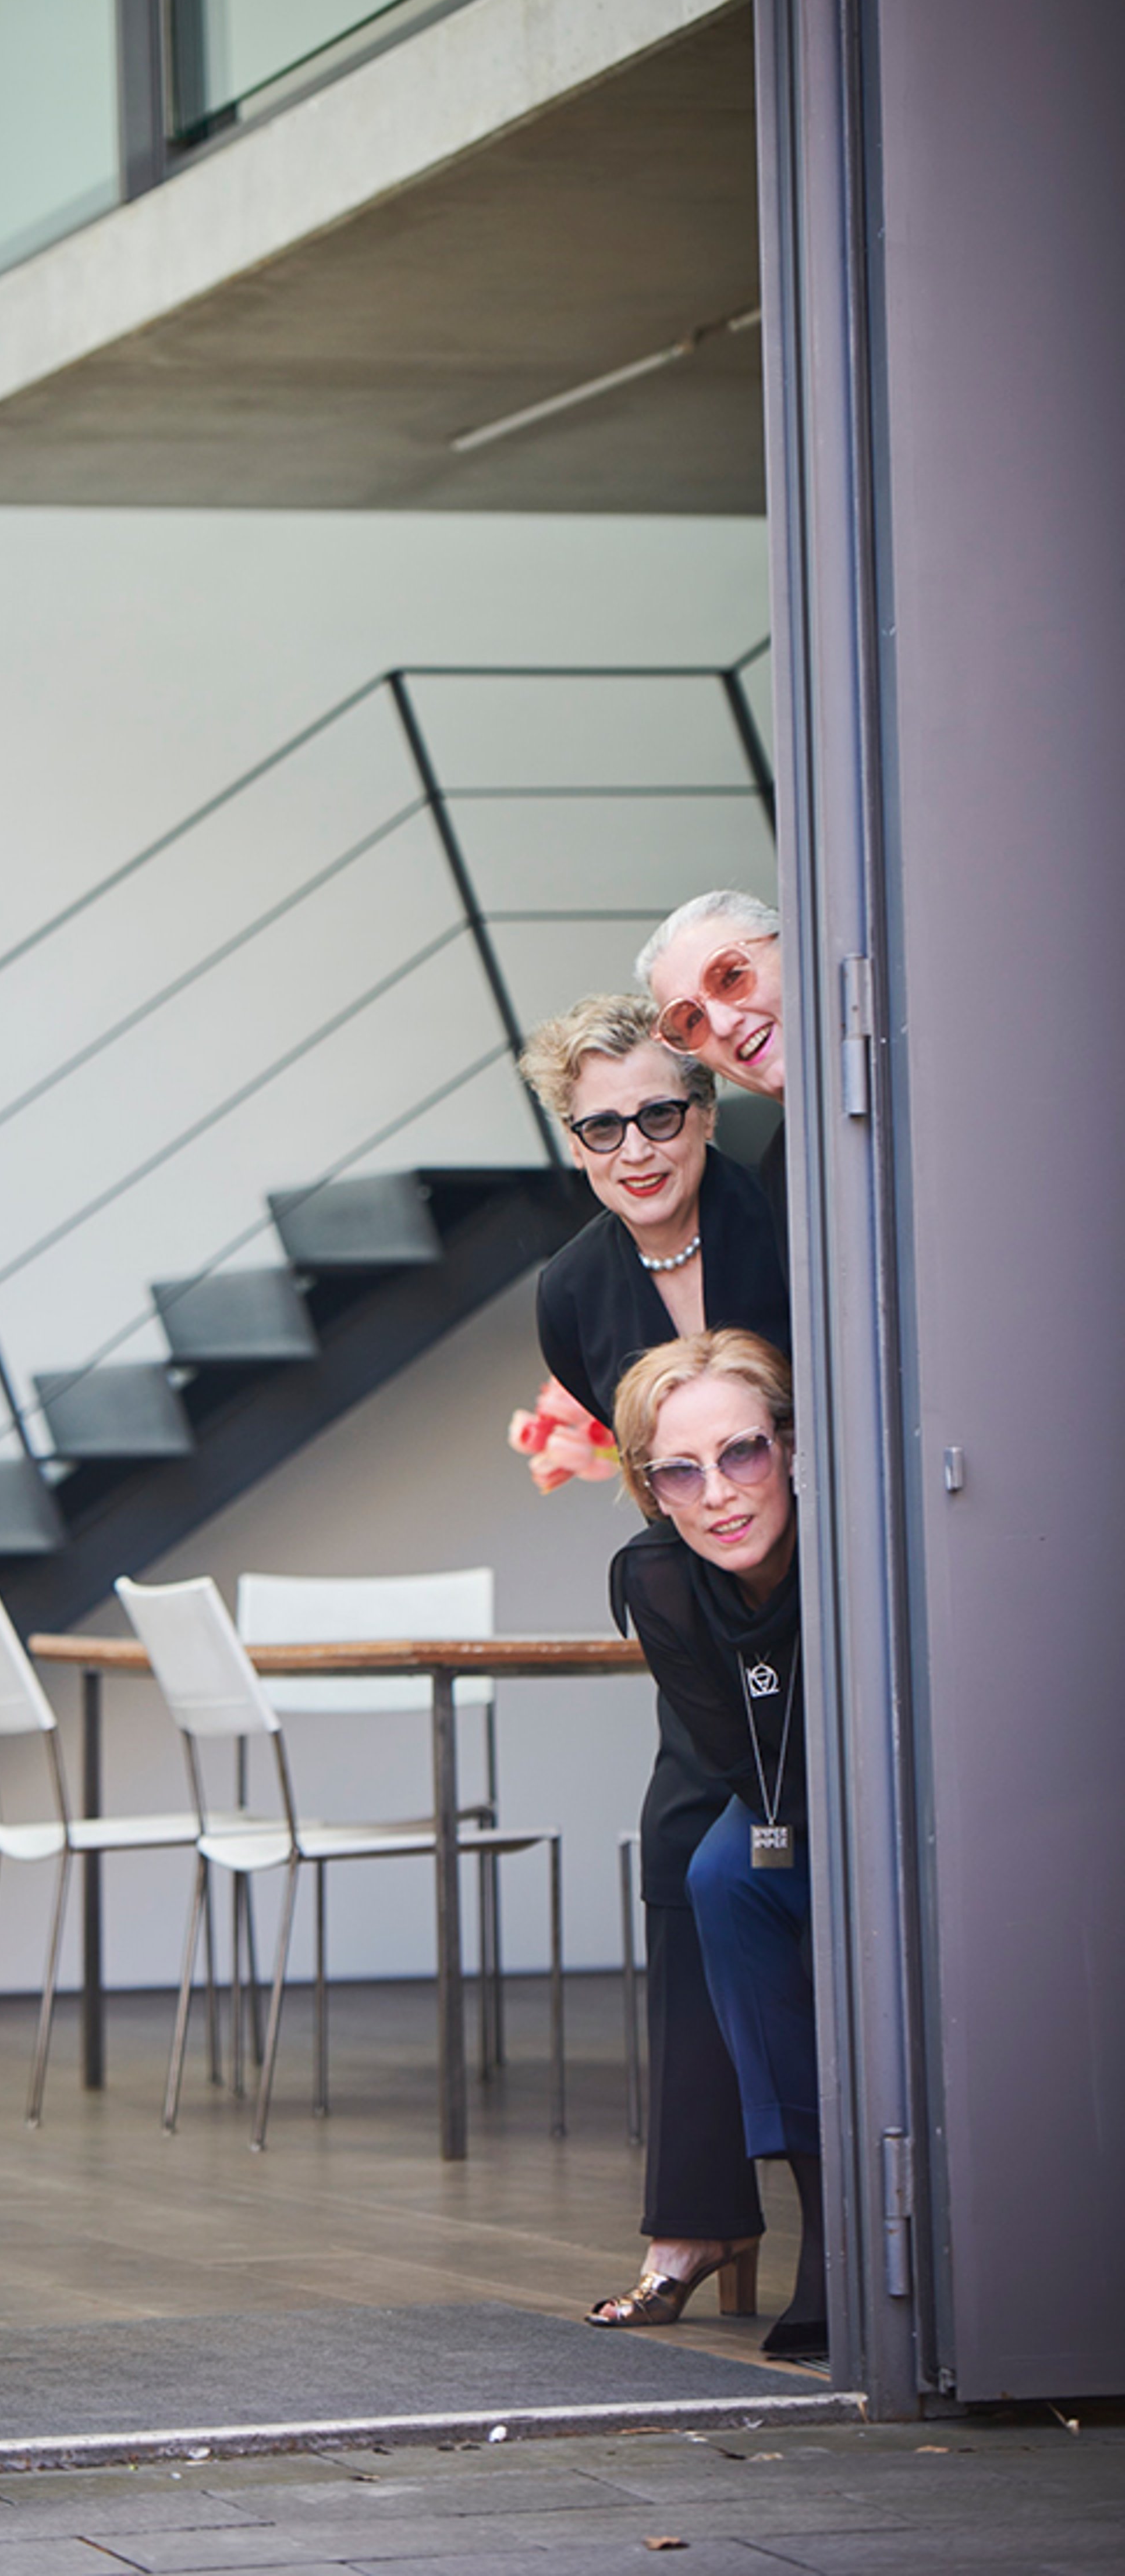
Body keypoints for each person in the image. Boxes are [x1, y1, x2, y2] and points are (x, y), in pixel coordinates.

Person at [517, 996, 790, 2332]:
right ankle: (697, 2218)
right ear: (575, 1141)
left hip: (831, 1581)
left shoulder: (785, 1219)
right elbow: (645, 1468)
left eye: (660, 1112)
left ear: (706, 1111)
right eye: (602, 1124)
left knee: (770, 1865)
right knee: (680, 1846)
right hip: (704, 1609)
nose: (636, 1145)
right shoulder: (572, 1291)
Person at [611, 1329, 825, 2362]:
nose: (720, 1496)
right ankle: (829, 2223)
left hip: (892, 1780)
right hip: (779, 1786)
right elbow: (738, 1757)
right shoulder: (657, 1578)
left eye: (742, 1454)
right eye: (680, 1473)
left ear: (788, 1444)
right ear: (652, 1490)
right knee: (721, 1873)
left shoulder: (846, 1531)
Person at [638, 889, 787, 1252]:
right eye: (692, 1020)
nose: (723, 1024)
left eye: (731, 978)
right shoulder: (782, 1177)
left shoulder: (926, 1067)